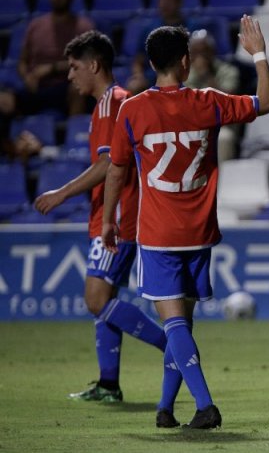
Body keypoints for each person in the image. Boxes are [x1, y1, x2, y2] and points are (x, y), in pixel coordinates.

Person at [101, 16, 269, 429]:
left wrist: (109, 219)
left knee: (175, 324)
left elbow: (116, 170)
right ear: (185, 62)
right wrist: (260, 55)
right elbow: (266, 103)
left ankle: (204, 405)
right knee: (185, 324)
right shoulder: (210, 101)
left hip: (159, 236)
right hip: (198, 234)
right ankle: (165, 408)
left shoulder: (132, 110)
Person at [33, 30, 167, 403]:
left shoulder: (114, 103)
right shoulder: (108, 104)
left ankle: (172, 346)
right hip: (112, 216)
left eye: (75, 67)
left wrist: (61, 193)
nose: (70, 75)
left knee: (96, 299)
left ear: (94, 65)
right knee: (104, 299)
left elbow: (110, 163)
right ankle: (109, 384)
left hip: (119, 218)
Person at [16, 0, 94, 115]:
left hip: (65, 86)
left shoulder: (83, 27)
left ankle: (75, 133)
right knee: (5, 100)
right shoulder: (35, 26)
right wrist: (27, 77)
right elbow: (22, 61)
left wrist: (51, 69)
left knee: (78, 90)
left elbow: (88, 63)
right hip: (37, 87)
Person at [126, 0, 200, 93]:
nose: (164, 4)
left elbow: (197, 56)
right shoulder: (149, 29)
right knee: (134, 86)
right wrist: (138, 75)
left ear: (179, 2)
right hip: (154, 75)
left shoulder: (192, 27)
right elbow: (138, 59)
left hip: (184, 73)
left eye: (169, 0)